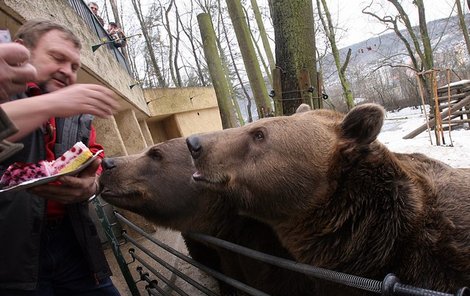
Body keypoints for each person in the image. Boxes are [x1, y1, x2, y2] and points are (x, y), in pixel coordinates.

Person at [0, 19, 121, 295]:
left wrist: (89, 188)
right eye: (57, 58)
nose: (67, 72)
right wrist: (53, 104)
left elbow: (94, 163)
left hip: (74, 244)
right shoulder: (6, 93)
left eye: (74, 67)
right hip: (11, 255)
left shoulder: (77, 113)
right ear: (21, 52)